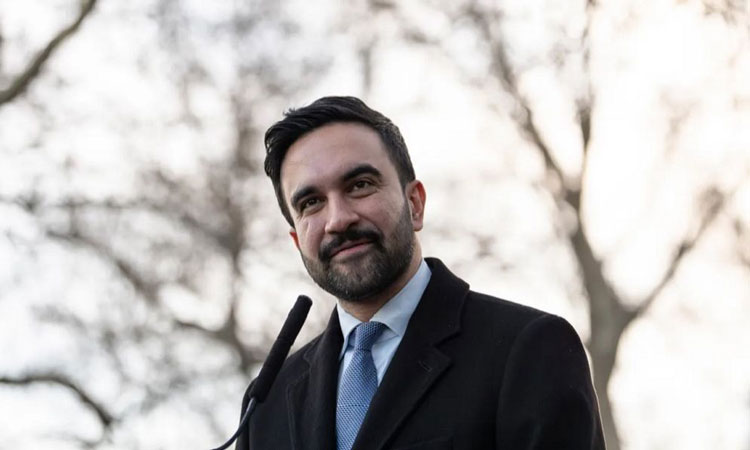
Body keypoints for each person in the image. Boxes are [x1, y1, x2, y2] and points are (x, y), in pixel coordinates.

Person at [236, 96, 606, 450]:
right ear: (296, 239)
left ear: (415, 204)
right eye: (311, 202)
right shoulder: (265, 407)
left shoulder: (529, 350)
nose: (338, 220)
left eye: (360, 185)